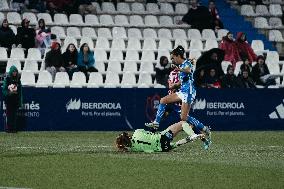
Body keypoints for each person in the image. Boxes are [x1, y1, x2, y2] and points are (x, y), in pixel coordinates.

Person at [116, 121, 206, 152]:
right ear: (128, 135)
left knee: (172, 145)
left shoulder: (133, 149)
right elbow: (150, 133)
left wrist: (123, 148)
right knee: (182, 124)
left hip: (163, 149)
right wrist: (153, 126)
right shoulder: (137, 132)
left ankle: (189, 138)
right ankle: (192, 135)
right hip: (162, 138)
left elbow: (125, 147)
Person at [2, 65, 23, 133]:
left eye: (15, 71)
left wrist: (20, 101)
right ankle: (8, 129)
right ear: (11, 72)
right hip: (9, 100)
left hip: (15, 100)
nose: (14, 73)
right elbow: (4, 89)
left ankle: (13, 128)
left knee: (14, 115)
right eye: (13, 71)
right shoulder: (7, 79)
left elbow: (20, 91)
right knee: (9, 115)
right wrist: (8, 93)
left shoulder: (18, 80)